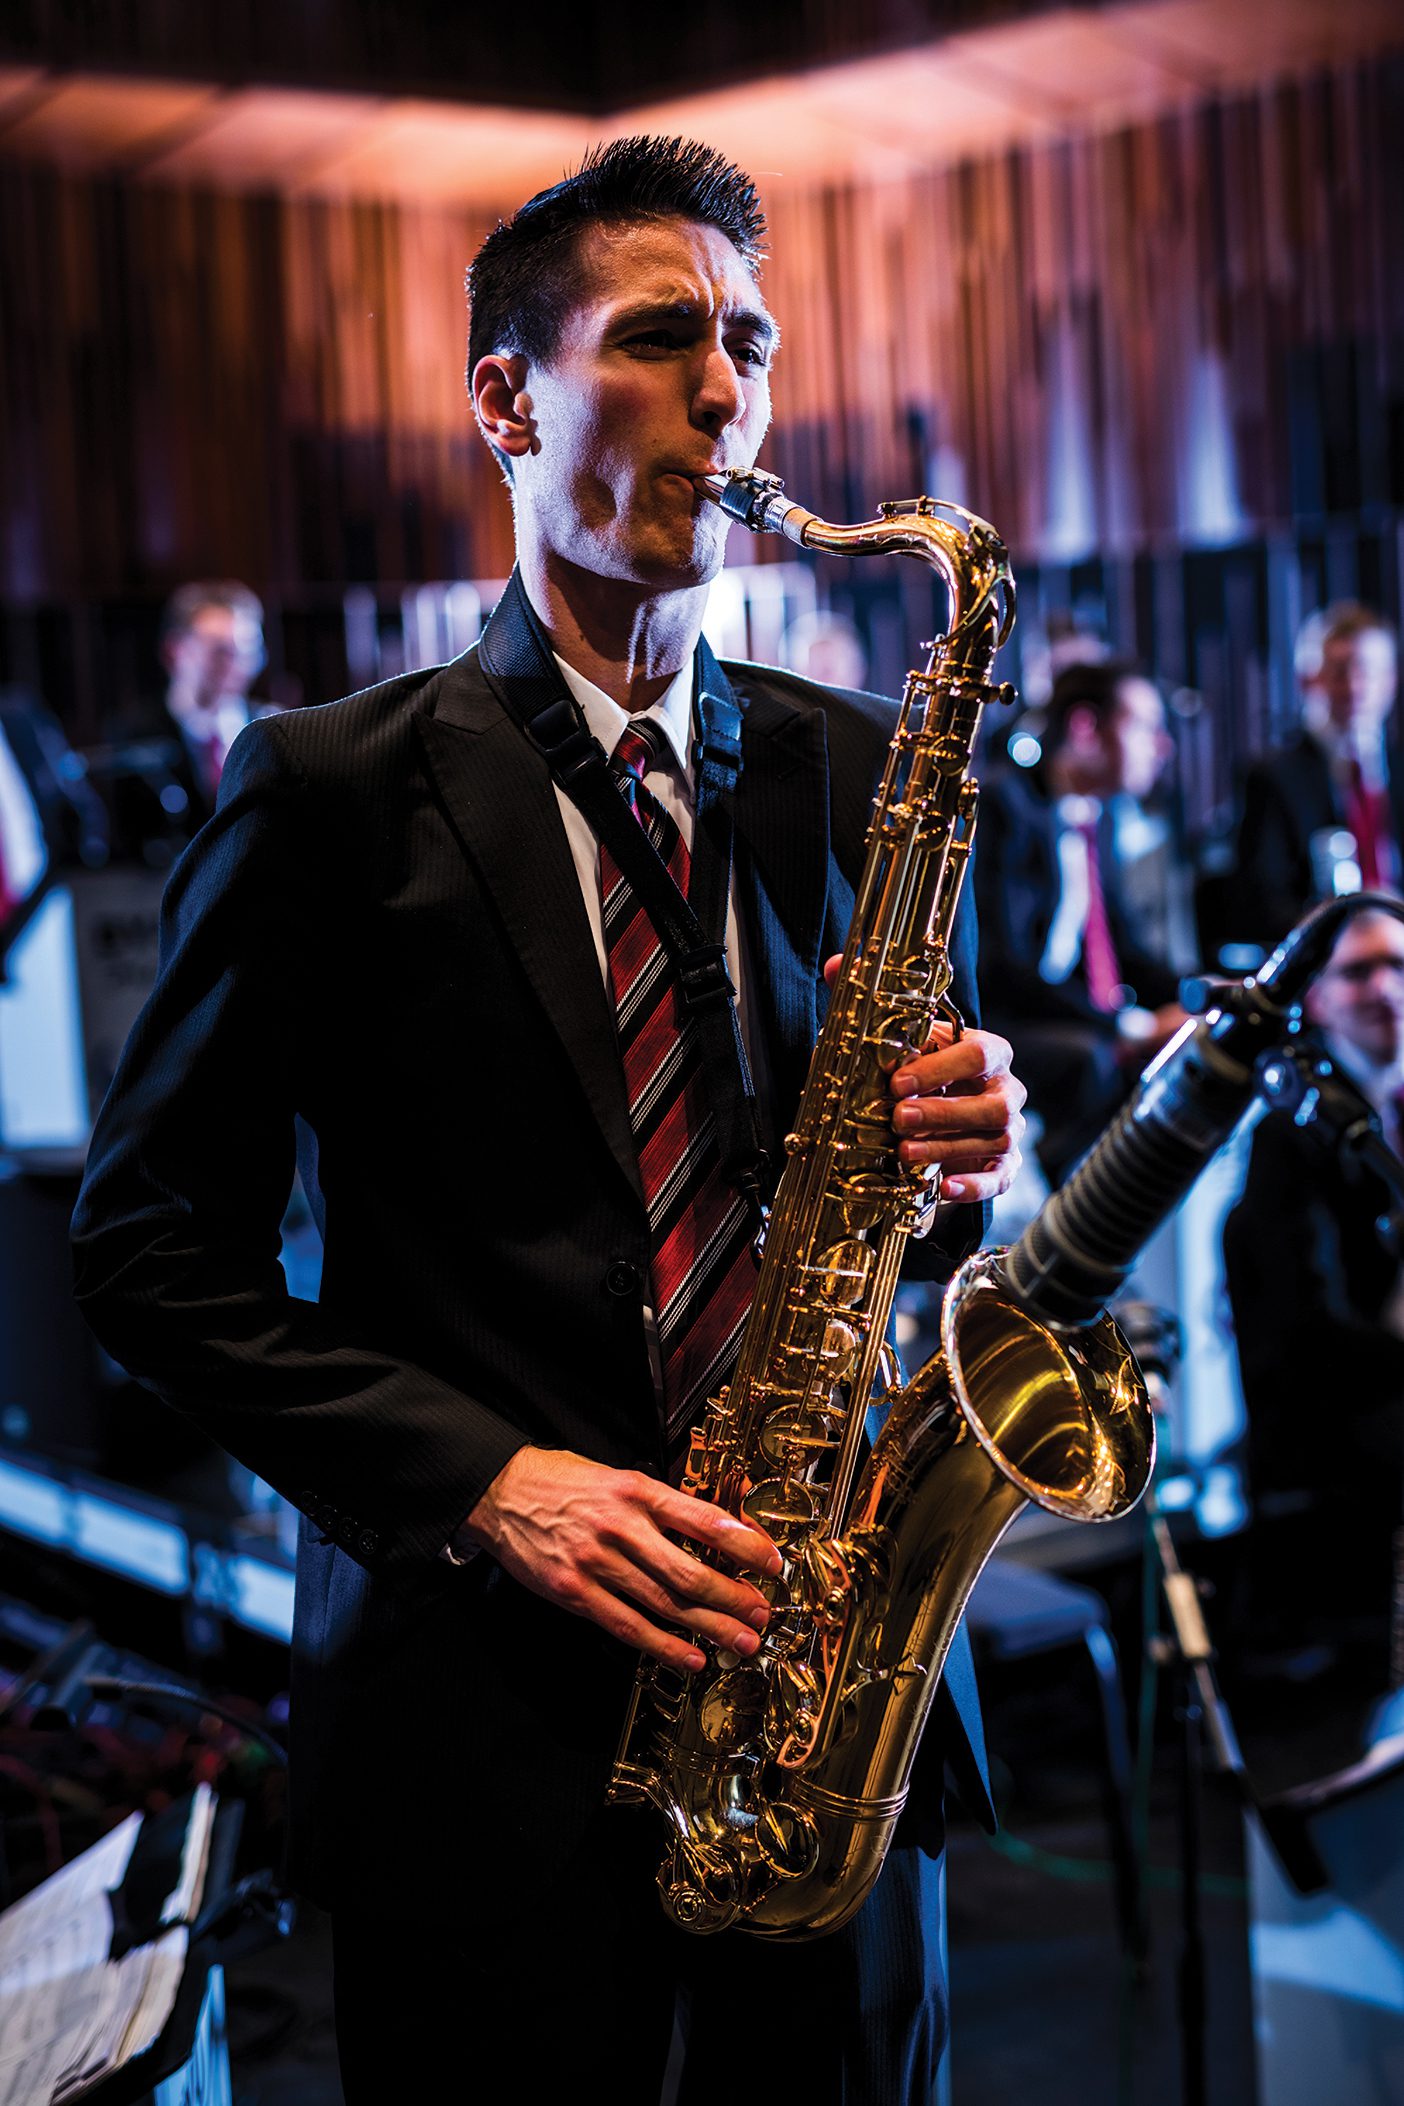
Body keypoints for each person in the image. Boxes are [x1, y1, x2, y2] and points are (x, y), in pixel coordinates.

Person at [71, 137, 1027, 2102]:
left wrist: (958, 1158)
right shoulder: (329, 790)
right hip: (483, 1756)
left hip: (823, 1722)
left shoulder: (852, 769)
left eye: (751, 345)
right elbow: (152, 1260)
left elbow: (871, 1208)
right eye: (665, 336)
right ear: (504, 395)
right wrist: (490, 1483)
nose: (729, 393)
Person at [1223, 904, 1404, 1667]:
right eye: (1358, 971)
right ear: (1319, 1000)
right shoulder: (1290, 1132)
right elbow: (1311, 1336)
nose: (1386, 988)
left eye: (1398, 965)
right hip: (1340, 1416)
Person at [974, 658, 1185, 1184]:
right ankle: (1045, 1217)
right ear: (1087, 728)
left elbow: (1126, 949)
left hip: (1066, 1015)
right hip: (1002, 1017)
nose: (1162, 747)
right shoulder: (1004, 806)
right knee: (1094, 1062)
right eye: (1143, 726)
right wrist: (1126, 1025)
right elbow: (1004, 967)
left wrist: (1205, 997)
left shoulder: (1100, 815)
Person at [1234, 603, 1403, 950]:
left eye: (1368, 671)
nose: (1355, 686)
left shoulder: (1396, 769)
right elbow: (1262, 904)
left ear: (1390, 681)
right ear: (1309, 680)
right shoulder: (1274, 778)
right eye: (1340, 671)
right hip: (1328, 961)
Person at [101, 580, 268, 863]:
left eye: (247, 651)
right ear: (174, 652)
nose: (237, 665)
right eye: (220, 651)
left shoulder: (269, 726)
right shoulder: (132, 735)